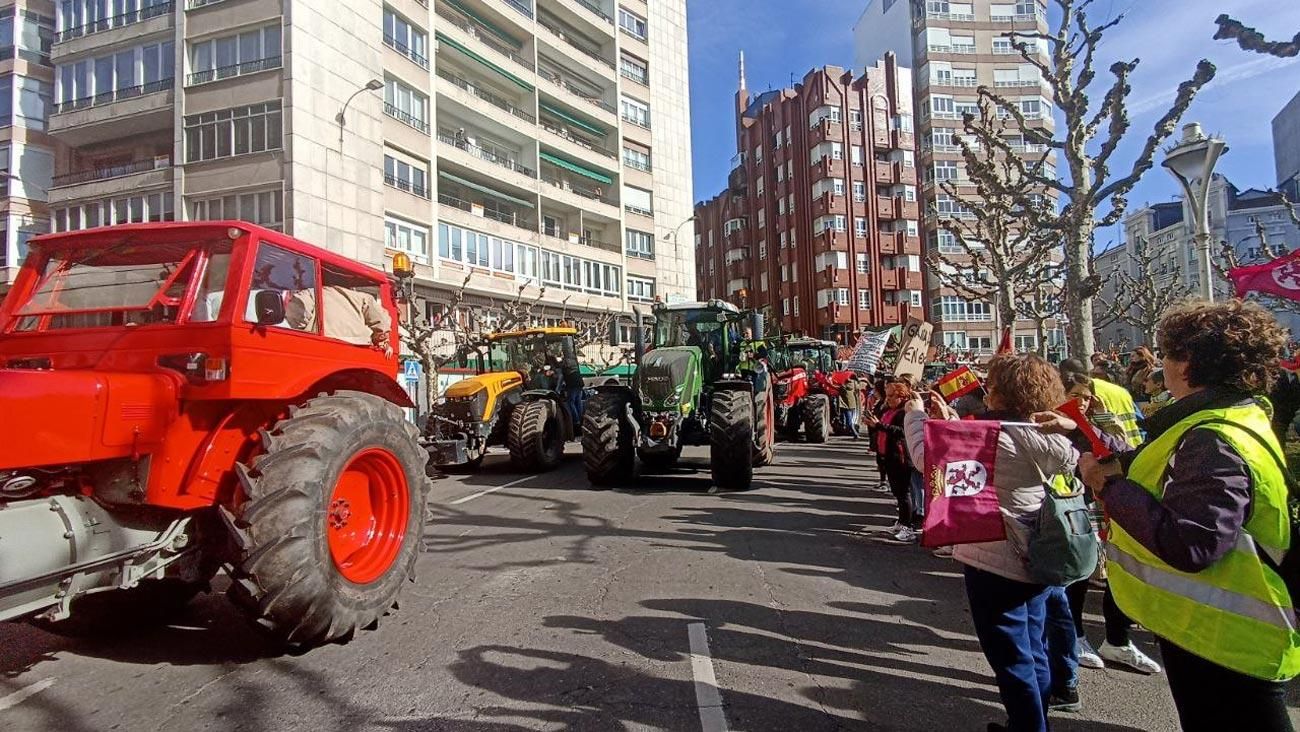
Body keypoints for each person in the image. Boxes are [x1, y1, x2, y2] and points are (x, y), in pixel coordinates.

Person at [1080, 300, 1299, 732]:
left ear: (1188, 363)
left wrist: (1108, 488)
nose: (1161, 364)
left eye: (1167, 353)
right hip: (1214, 630)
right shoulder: (1226, 415)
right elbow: (1155, 463)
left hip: (1231, 640)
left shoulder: (1211, 437)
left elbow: (1192, 544)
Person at [904, 354, 1081, 732]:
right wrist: (950, 423)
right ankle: (1035, 719)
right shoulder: (1049, 438)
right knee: (1034, 649)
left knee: (1010, 656)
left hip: (995, 555)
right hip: (1037, 550)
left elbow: (928, 461)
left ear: (1002, 392)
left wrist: (916, 416)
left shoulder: (991, 435)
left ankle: (1028, 725)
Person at [863, 379, 918, 542]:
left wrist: (879, 425)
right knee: (897, 492)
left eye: (892, 396)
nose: (888, 399)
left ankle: (908, 527)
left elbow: (901, 432)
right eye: (887, 396)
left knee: (903, 493)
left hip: (900, 456)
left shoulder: (904, 412)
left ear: (901, 396)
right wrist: (873, 424)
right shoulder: (889, 410)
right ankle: (901, 522)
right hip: (888, 455)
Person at [287, 285, 392, 354]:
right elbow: (381, 320)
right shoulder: (361, 297)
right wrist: (380, 340)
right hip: (359, 347)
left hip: (320, 345)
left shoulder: (310, 293)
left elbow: (298, 315)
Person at [1060, 358, 1142, 447]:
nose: (1081, 402)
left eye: (1087, 398)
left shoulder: (1094, 422)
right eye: (1075, 396)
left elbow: (1116, 446)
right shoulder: (1055, 421)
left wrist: (1104, 416)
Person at [839, 373, 862, 439]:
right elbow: (858, 389)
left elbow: (840, 391)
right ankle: (850, 431)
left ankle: (855, 434)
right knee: (850, 420)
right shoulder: (855, 383)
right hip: (853, 404)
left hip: (845, 405)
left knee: (848, 421)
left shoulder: (843, 385)